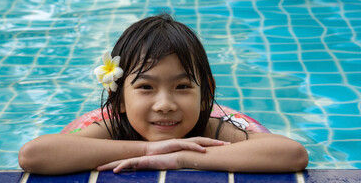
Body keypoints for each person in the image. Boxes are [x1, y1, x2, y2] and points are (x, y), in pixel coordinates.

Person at [18, 14, 308, 175]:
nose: (165, 104)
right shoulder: (113, 127)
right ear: (118, 98)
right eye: (145, 87)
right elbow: (35, 155)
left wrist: (179, 158)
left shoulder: (209, 126)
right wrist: (148, 150)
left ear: (206, 94)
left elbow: (291, 154)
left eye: (183, 87)